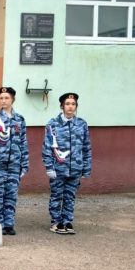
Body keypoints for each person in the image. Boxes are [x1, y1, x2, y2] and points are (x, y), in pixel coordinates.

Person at [42, 92, 92, 235]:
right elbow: (47, 147)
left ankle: (67, 221)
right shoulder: (53, 124)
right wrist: (49, 167)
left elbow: (86, 147)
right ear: (62, 106)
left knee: (70, 196)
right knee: (57, 195)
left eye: (73, 104)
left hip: (75, 168)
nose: (70, 107)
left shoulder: (81, 124)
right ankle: (56, 222)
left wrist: (86, 168)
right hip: (58, 168)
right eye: (67, 104)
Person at [0, 87, 29, 235]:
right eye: (1, 98)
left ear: (12, 99)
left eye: (6, 98)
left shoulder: (20, 119)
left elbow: (23, 143)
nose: (3, 101)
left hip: (14, 164)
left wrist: (24, 164)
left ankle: (9, 224)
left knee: (11, 195)